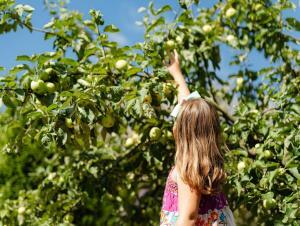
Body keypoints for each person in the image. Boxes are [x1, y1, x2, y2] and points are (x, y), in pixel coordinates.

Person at [160, 49, 236, 226]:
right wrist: (177, 74)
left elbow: (188, 218)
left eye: (178, 119)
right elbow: (187, 103)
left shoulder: (188, 171)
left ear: (184, 133)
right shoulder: (202, 159)